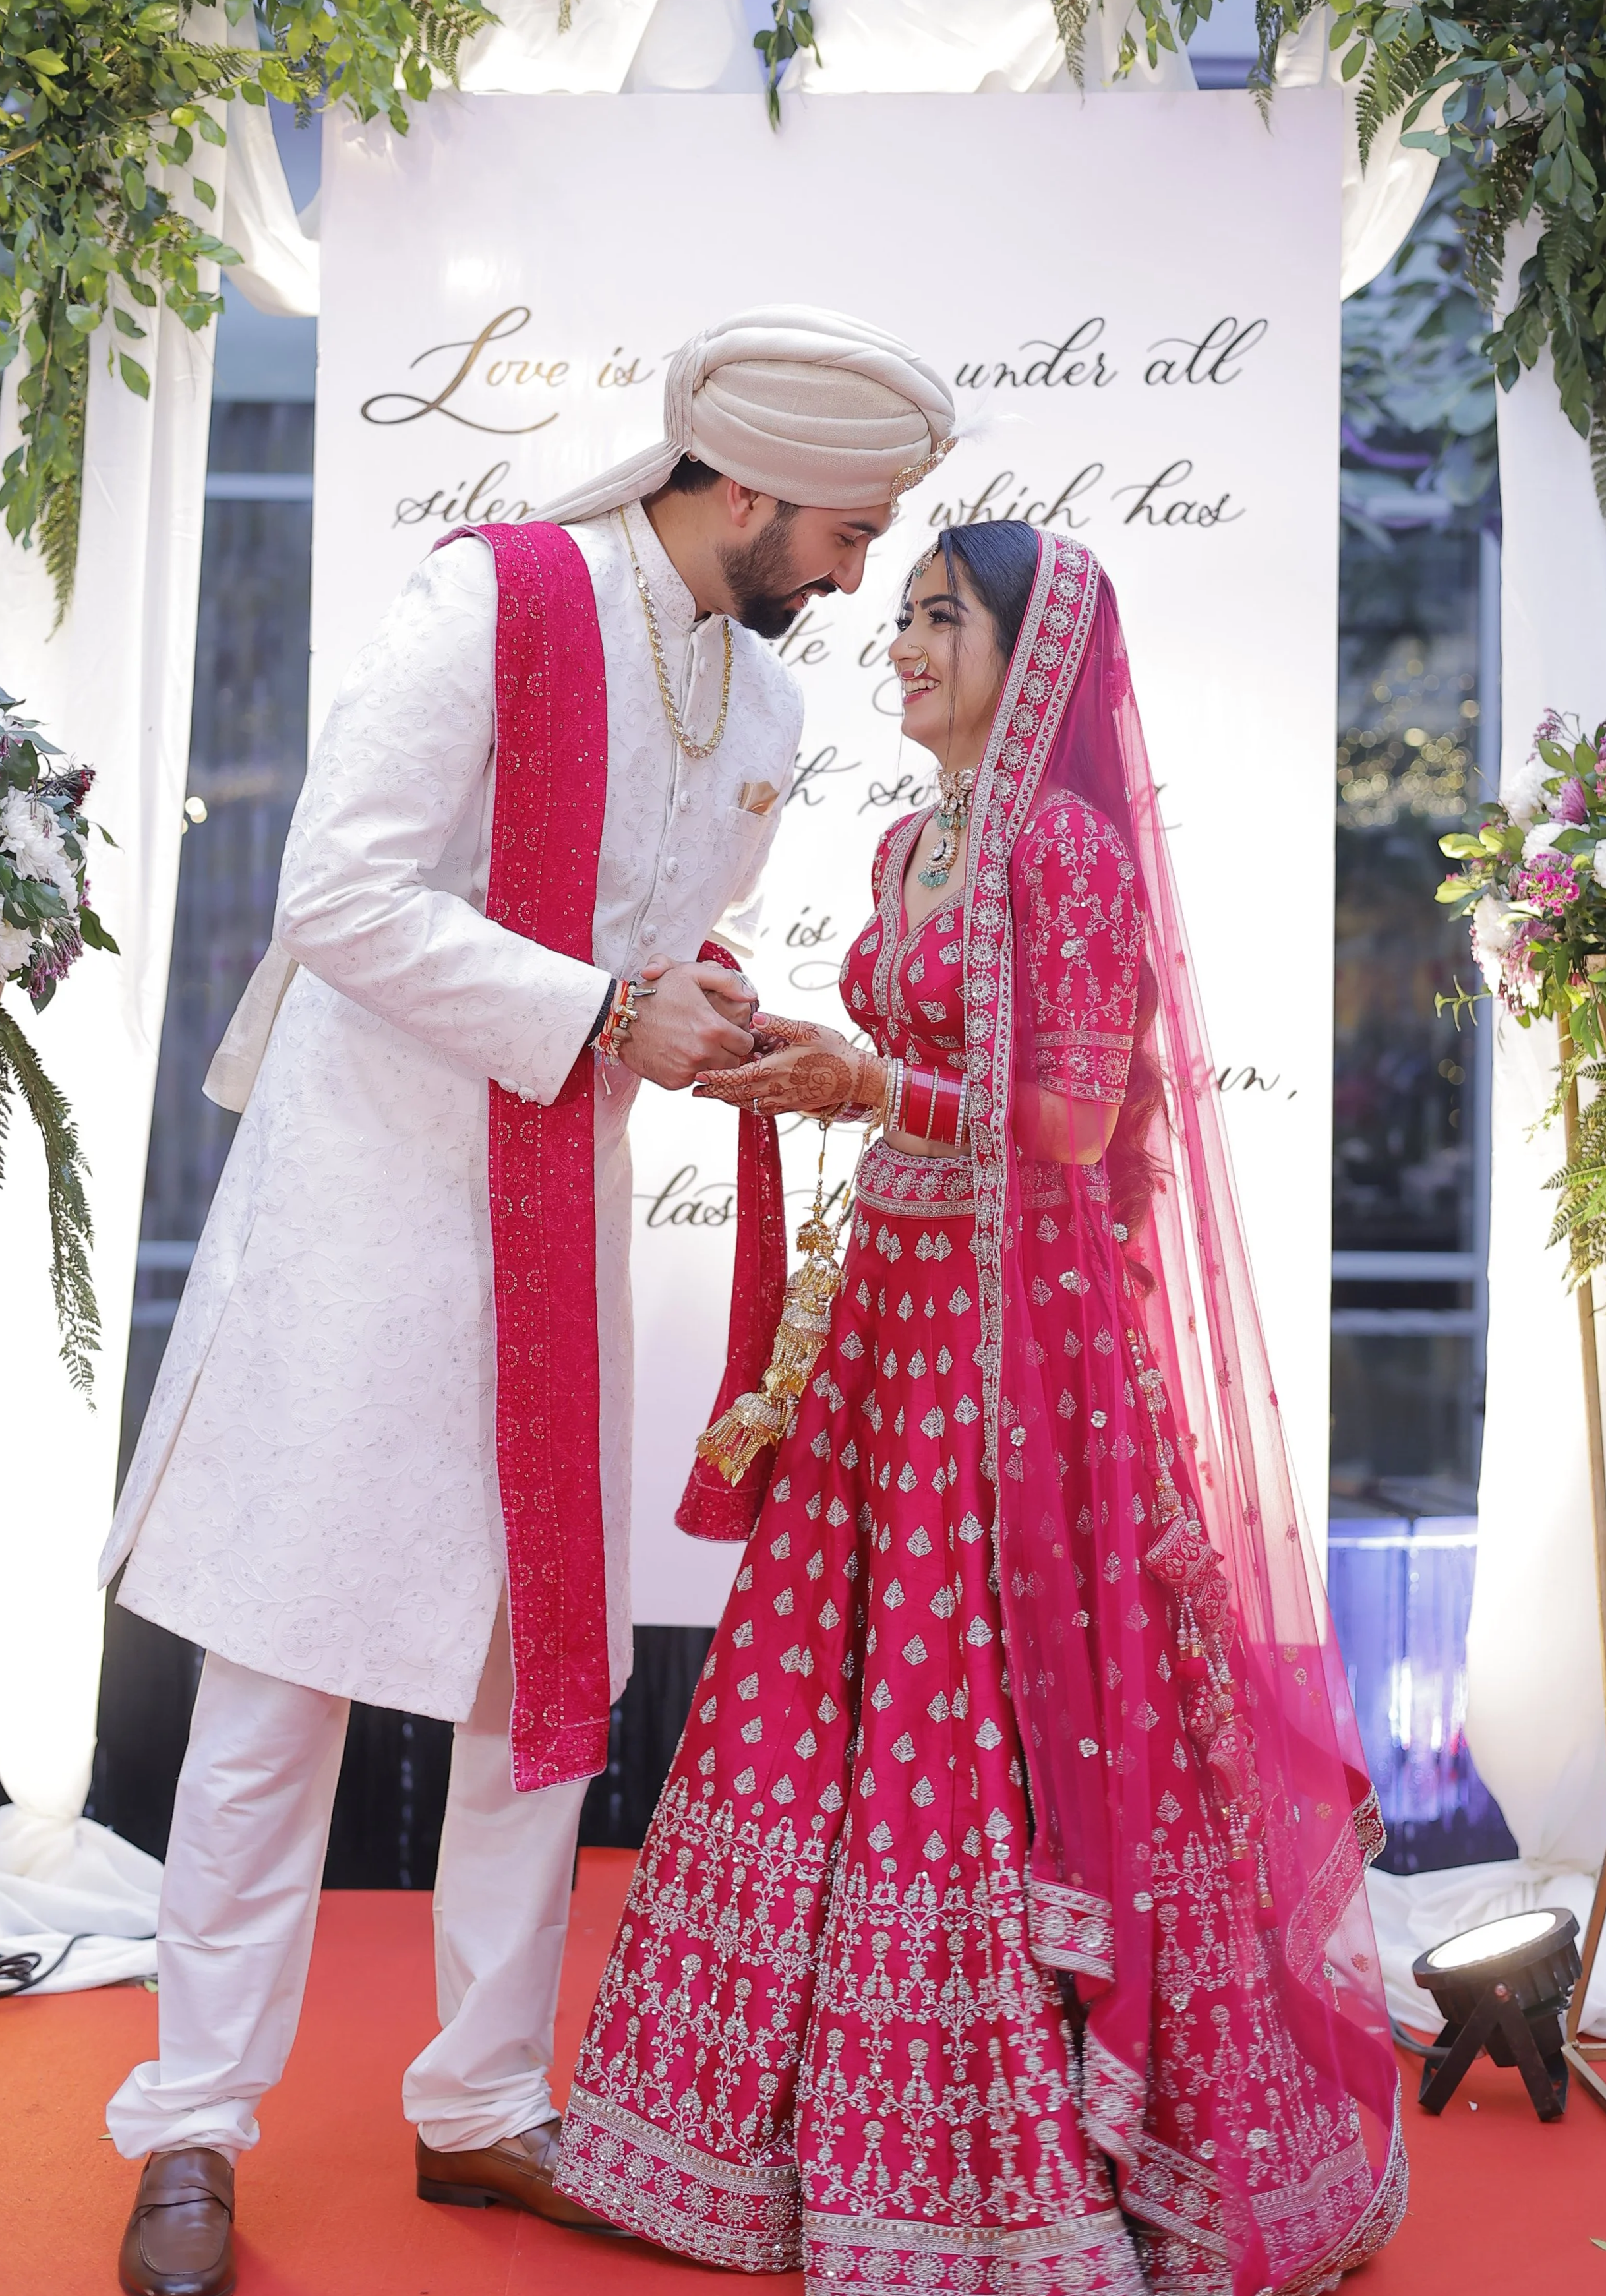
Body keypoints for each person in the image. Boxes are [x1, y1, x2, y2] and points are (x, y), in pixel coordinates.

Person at [98, 307, 957, 2296]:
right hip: (368, 1211)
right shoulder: (489, 603)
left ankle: (483, 2104)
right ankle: (190, 2130)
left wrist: (700, 1011)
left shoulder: (757, 709)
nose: (851, 576)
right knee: (273, 1685)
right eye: (841, 531)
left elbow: (644, 954)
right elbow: (335, 889)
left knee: (537, 1681)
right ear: (737, 488)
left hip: (549, 1217)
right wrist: (598, 1008)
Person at [556, 522, 1406, 2295]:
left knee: (981, 1686)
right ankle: (759, 2132)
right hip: (898, 1305)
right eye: (908, 614)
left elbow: (1078, 1127)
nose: (903, 643)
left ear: (1036, 654)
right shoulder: (904, 840)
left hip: (1022, 1342)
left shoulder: (1069, 853)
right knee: (841, 1660)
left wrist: (873, 1078)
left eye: (941, 616)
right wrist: (788, 1043)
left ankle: (1015, 2157)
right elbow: (917, 1072)